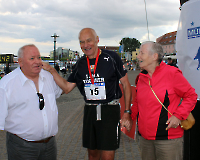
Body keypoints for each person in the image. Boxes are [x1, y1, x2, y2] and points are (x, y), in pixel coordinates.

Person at [42, 28, 132, 160]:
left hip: (109, 110)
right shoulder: (80, 63)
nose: (85, 45)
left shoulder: (111, 57)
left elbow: (126, 84)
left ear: (97, 40)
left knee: (108, 155)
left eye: (89, 40)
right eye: (82, 42)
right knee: (92, 154)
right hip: (90, 110)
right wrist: (51, 70)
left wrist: (127, 112)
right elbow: (67, 88)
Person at [131, 41, 197, 160]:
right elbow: (137, 102)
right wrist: (129, 117)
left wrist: (178, 116)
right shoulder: (141, 77)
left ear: (154, 56)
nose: (138, 56)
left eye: (142, 53)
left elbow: (191, 96)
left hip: (168, 139)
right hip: (145, 139)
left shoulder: (172, 73)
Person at [0, 44, 62, 160]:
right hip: (21, 147)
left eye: (39, 57)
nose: (37, 61)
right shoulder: (6, 85)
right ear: (20, 62)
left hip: (50, 145)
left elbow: (61, 91)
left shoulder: (48, 77)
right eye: (32, 58)